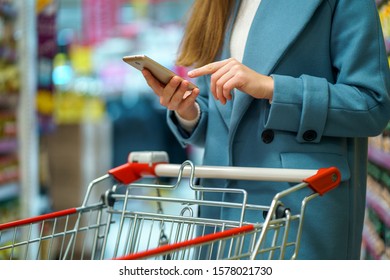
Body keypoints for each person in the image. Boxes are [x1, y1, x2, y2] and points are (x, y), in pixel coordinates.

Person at [141, 0, 390, 259]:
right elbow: (225, 119)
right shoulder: (216, 6)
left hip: (295, 208)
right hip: (221, 209)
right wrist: (187, 110)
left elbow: (372, 105)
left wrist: (273, 89)